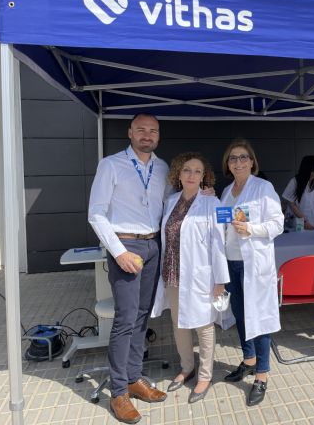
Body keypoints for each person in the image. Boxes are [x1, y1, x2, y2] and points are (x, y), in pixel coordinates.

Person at [88, 114, 169, 423]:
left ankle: (134, 378)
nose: (147, 135)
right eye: (141, 130)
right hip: (126, 246)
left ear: (158, 136)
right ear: (130, 133)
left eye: (153, 131)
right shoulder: (111, 165)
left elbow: (168, 204)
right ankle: (119, 392)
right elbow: (96, 213)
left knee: (140, 317)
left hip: (152, 246)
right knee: (124, 319)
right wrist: (118, 252)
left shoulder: (162, 168)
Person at [149, 152, 229, 403]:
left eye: (197, 170)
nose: (192, 174)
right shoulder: (170, 200)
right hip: (172, 273)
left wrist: (219, 280)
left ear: (204, 175)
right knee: (178, 322)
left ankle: (205, 376)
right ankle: (187, 368)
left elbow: (219, 243)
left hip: (200, 275)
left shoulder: (211, 203)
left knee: (203, 324)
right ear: (178, 174)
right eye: (187, 170)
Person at [220, 139, 284, 406]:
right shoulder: (226, 191)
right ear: (228, 163)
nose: (238, 162)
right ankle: (249, 360)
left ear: (252, 161)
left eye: (243, 157)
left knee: (260, 318)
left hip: (254, 264)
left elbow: (277, 223)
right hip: (231, 262)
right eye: (233, 158)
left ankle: (262, 375)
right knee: (240, 314)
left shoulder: (263, 187)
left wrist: (252, 229)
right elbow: (222, 225)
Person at [282, 155, 314, 229]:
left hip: (312, 222)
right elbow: (291, 204)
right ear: (309, 167)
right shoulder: (295, 182)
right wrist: (304, 221)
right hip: (297, 224)